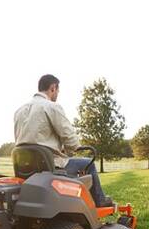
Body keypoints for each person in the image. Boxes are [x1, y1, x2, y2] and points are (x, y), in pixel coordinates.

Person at [14, 74, 113, 207]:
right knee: (88, 163)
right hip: (51, 166)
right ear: (53, 88)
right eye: (58, 91)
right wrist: (74, 148)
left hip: (26, 167)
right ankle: (100, 201)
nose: (58, 94)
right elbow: (70, 139)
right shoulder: (51, 107)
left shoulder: (20, 111)